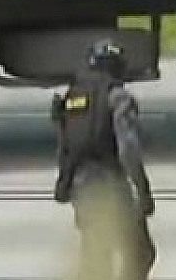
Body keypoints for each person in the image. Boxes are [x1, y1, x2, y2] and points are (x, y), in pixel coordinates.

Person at [52, 39, 156, 280]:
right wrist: (143, 191)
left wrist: (63, 184)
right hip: (110, 185)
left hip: (80, 187)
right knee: (140, 252)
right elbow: (128, 149)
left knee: (96, 254)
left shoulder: (71, 98)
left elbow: (64, 146)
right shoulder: (117, 97)